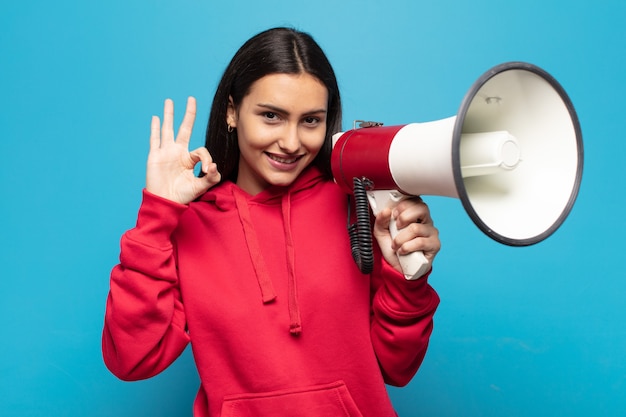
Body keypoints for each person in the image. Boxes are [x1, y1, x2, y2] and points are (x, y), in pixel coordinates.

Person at [102, 27, 440, 417]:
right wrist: (157, 216)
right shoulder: (190, 225)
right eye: (271, 116)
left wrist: (407, 280)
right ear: (232, 111)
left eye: (311, 121)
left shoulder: (357, 209)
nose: (292, 142)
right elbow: (131, 359)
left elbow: (395, 368)